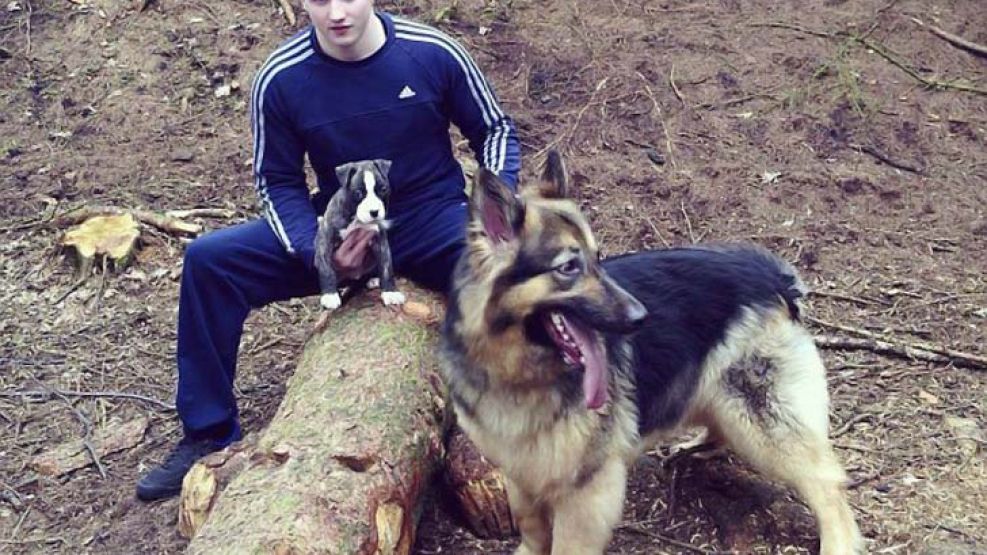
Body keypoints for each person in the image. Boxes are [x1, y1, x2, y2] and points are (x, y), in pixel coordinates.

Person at [136, 0, 519, 501]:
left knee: (508, 276)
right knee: (211, 262)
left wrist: (491, 211)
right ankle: (207, 430)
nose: (337, 12)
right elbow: (276, 180)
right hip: (339, 223)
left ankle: (512, 413)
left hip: (430, 218)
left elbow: (495, 131)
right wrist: (317, 251)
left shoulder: (431, 52)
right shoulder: (282, 76)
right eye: (320, 0)